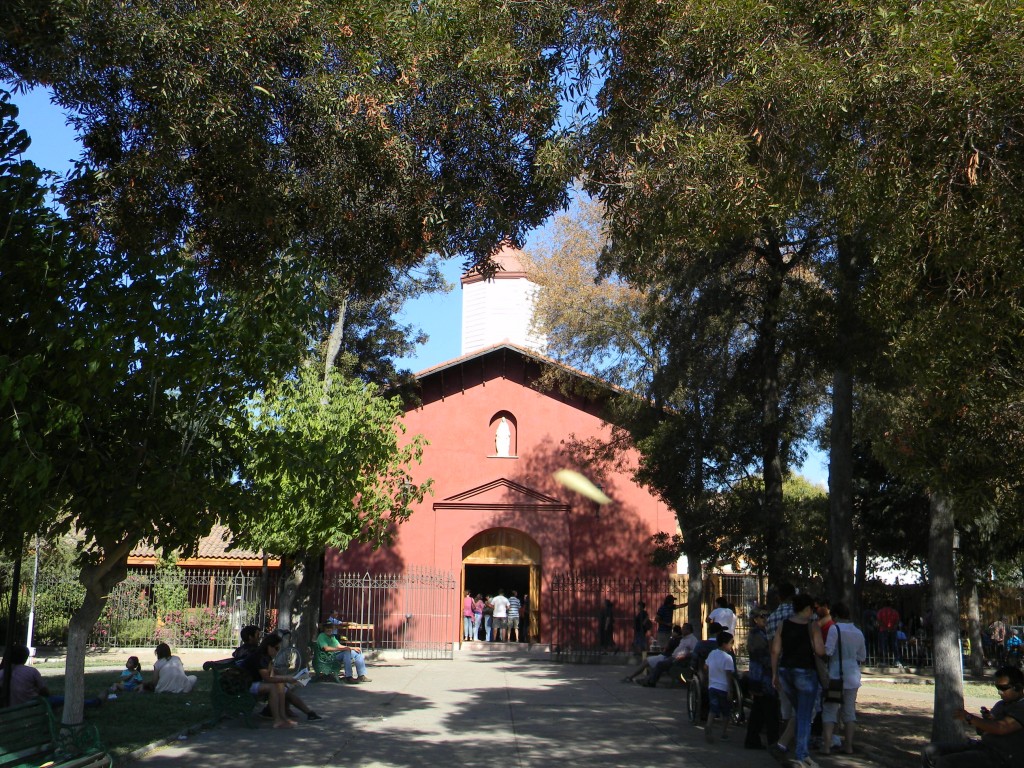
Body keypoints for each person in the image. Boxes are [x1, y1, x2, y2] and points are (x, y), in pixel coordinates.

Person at [921, 666, 1024, 767]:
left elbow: (1001, 728)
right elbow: (981, 731)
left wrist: (969, 717)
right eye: (997, 688)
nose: (999, 692)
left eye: (1003, 688)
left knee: (946, 762)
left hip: (1003, 757)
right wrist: (986, 721)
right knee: (929, 751)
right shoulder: (1000, 704)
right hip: (984, 747)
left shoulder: (1021, 707)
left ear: (1018, 687)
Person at [771, 592, 826, 768]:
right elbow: (820, 650)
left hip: (785, 671)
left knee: (799, 712)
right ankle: (802, 755)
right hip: (805, 672)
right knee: (804, 715)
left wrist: (774, 673)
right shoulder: (812, 626)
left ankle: (790, 748)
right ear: (808, 608)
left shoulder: (783, 624)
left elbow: (775, 650)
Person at [822, 601, 866, 756]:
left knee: (830, 710)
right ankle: (848, 746)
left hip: (836, 676)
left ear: (835, 616)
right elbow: (862, 656)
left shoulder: (834, 629)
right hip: (853, 676)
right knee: (849, 712)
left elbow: (828, 651)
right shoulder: (858, 632)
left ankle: (827, 746)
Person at [239, 633, 301, 728]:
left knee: (280, 684)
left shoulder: (266, 657)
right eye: (276, 648)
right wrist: (287, 678)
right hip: (244, 684)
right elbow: (267, 678)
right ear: (269, 646)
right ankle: (277, 720)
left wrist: (286, 679)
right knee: (273, 687)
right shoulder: (260, 657)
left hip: (252, 682)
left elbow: (272, 675)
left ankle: (283, 717)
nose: (277, 651)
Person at [745, 609, 780, 750]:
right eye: (762, 616)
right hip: (762, 678)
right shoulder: (757, 634)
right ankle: (772, 742)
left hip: (763, 677)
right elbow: (761, 656)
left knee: (759, 710)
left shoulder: (765, 632)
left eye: (767, 615)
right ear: (755, 619)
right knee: (770, 711)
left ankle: (753, 740)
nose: (765, 618)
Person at [705, 631, 736, 743]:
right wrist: (730, 690)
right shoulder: (728, 658)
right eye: (731, 643)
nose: (732, 646)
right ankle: (724, 732)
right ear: (724, 644)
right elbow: (729, 675)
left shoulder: (712, 653)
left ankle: (709, 725)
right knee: (726, 711)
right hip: (723, 688)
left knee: (713, 709)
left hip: (712, 686)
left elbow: (705, 667)